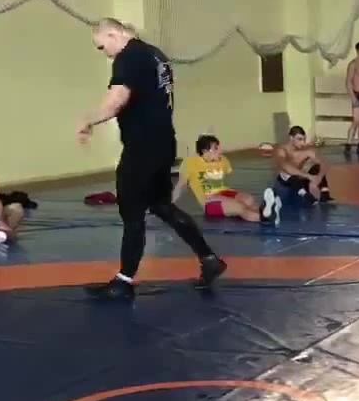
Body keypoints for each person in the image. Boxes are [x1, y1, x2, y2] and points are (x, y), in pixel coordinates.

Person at [77, 18, 225, 301]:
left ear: (112, 34)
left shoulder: (128, 57)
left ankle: (123, 281)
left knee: (132, 212)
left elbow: (116, 100)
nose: (105, 53)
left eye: (102, 46)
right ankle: (209, 259)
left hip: (142, 147)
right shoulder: (156, 55)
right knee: (160, 205)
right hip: (163, 143)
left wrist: (88, 120)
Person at [173, 135, 280, 225]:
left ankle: (267, 212)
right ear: (205, 151)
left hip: (224, 192)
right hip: (209, 201)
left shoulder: (222, 160)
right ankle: (267, 218)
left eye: (219, 147)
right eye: (216, 148)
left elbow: (235, 148)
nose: (220, 151)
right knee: (239, 207)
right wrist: (168, 205)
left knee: (248, 199)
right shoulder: (191, 163)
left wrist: (257, 146)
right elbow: (180, 186)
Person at [271, 126, 332, 205]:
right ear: (291, 138)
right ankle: (305, 195)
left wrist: (319, 177)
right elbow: (286, 167)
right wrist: (308, 176)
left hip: (299, 183)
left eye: (304, 139)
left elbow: (324, 163)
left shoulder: (306, 151)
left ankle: (325, 193)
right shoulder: (282, 150)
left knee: (317, 167)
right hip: (285, 185)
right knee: (287, 174)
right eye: (299, 139)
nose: (302, 143)